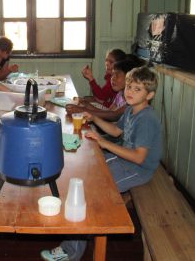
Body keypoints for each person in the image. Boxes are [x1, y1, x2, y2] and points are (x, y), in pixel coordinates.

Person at [41, 66, 162, 261]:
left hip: (138, 169)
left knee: (88, 193)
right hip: (123, 159)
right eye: (129, 87)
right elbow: (116, 131)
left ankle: (71, 251)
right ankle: (81, 233)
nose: (129, 91)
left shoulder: (147, 119)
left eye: (137, 89)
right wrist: (94, 118)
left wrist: (103, 142)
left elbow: (139, 157)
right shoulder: (131, 110)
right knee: (82, 179)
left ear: (150, 95)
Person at [67, 55, 143, 122]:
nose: (113, 78)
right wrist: (87, 105)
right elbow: (107, 112)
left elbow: (113, 116)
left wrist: (83, 110)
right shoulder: (120, 94)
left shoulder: (131, 100)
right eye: (112, 75)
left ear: (128, 78)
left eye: (117, 75)